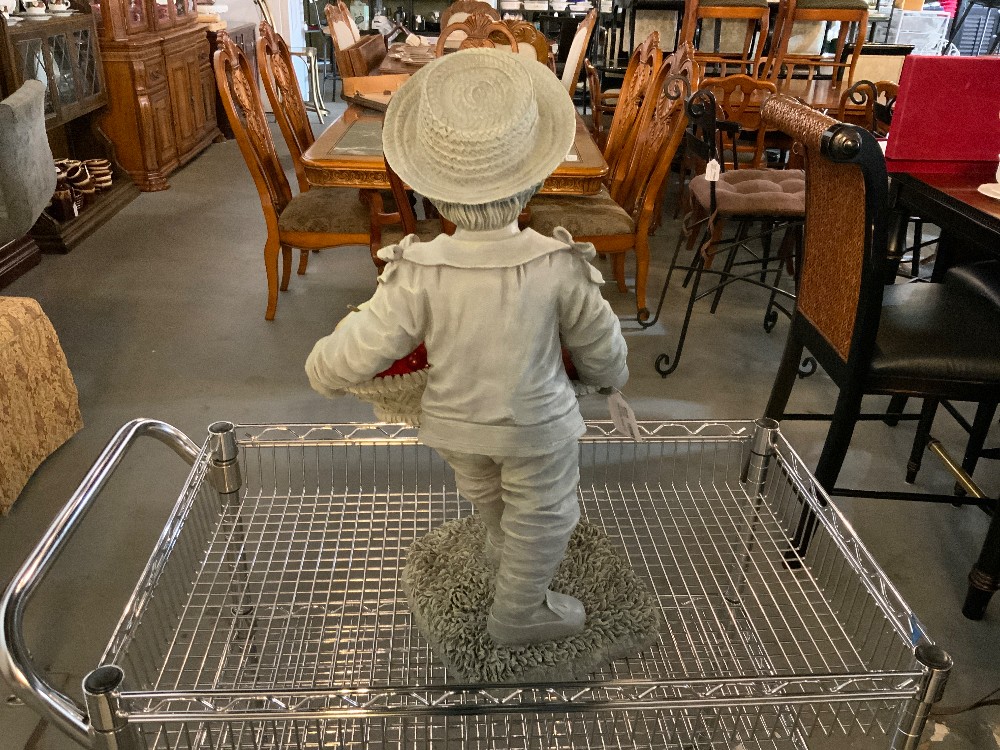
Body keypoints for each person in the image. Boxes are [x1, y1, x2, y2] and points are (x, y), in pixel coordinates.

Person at [305, 49, 628, 645]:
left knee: (486, 492)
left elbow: (367, 339)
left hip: (454, 426)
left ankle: (505, 553)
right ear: (535, 179)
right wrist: (610, 379)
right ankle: (519, 612)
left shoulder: (418, 268)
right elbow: (600, 343)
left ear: (432, 189)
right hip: (536, 426)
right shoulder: (559, 265)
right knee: (546, 512)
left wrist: (323, 367)